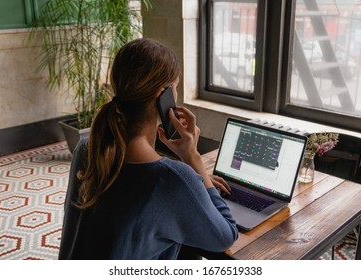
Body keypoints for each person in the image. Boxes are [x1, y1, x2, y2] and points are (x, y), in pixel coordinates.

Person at [58, 38, 238, 260]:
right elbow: (225, 236)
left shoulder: (89, 148)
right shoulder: (173, 179)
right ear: (163, 95)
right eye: (176, 86)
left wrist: (196, 185)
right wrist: (193, 160)